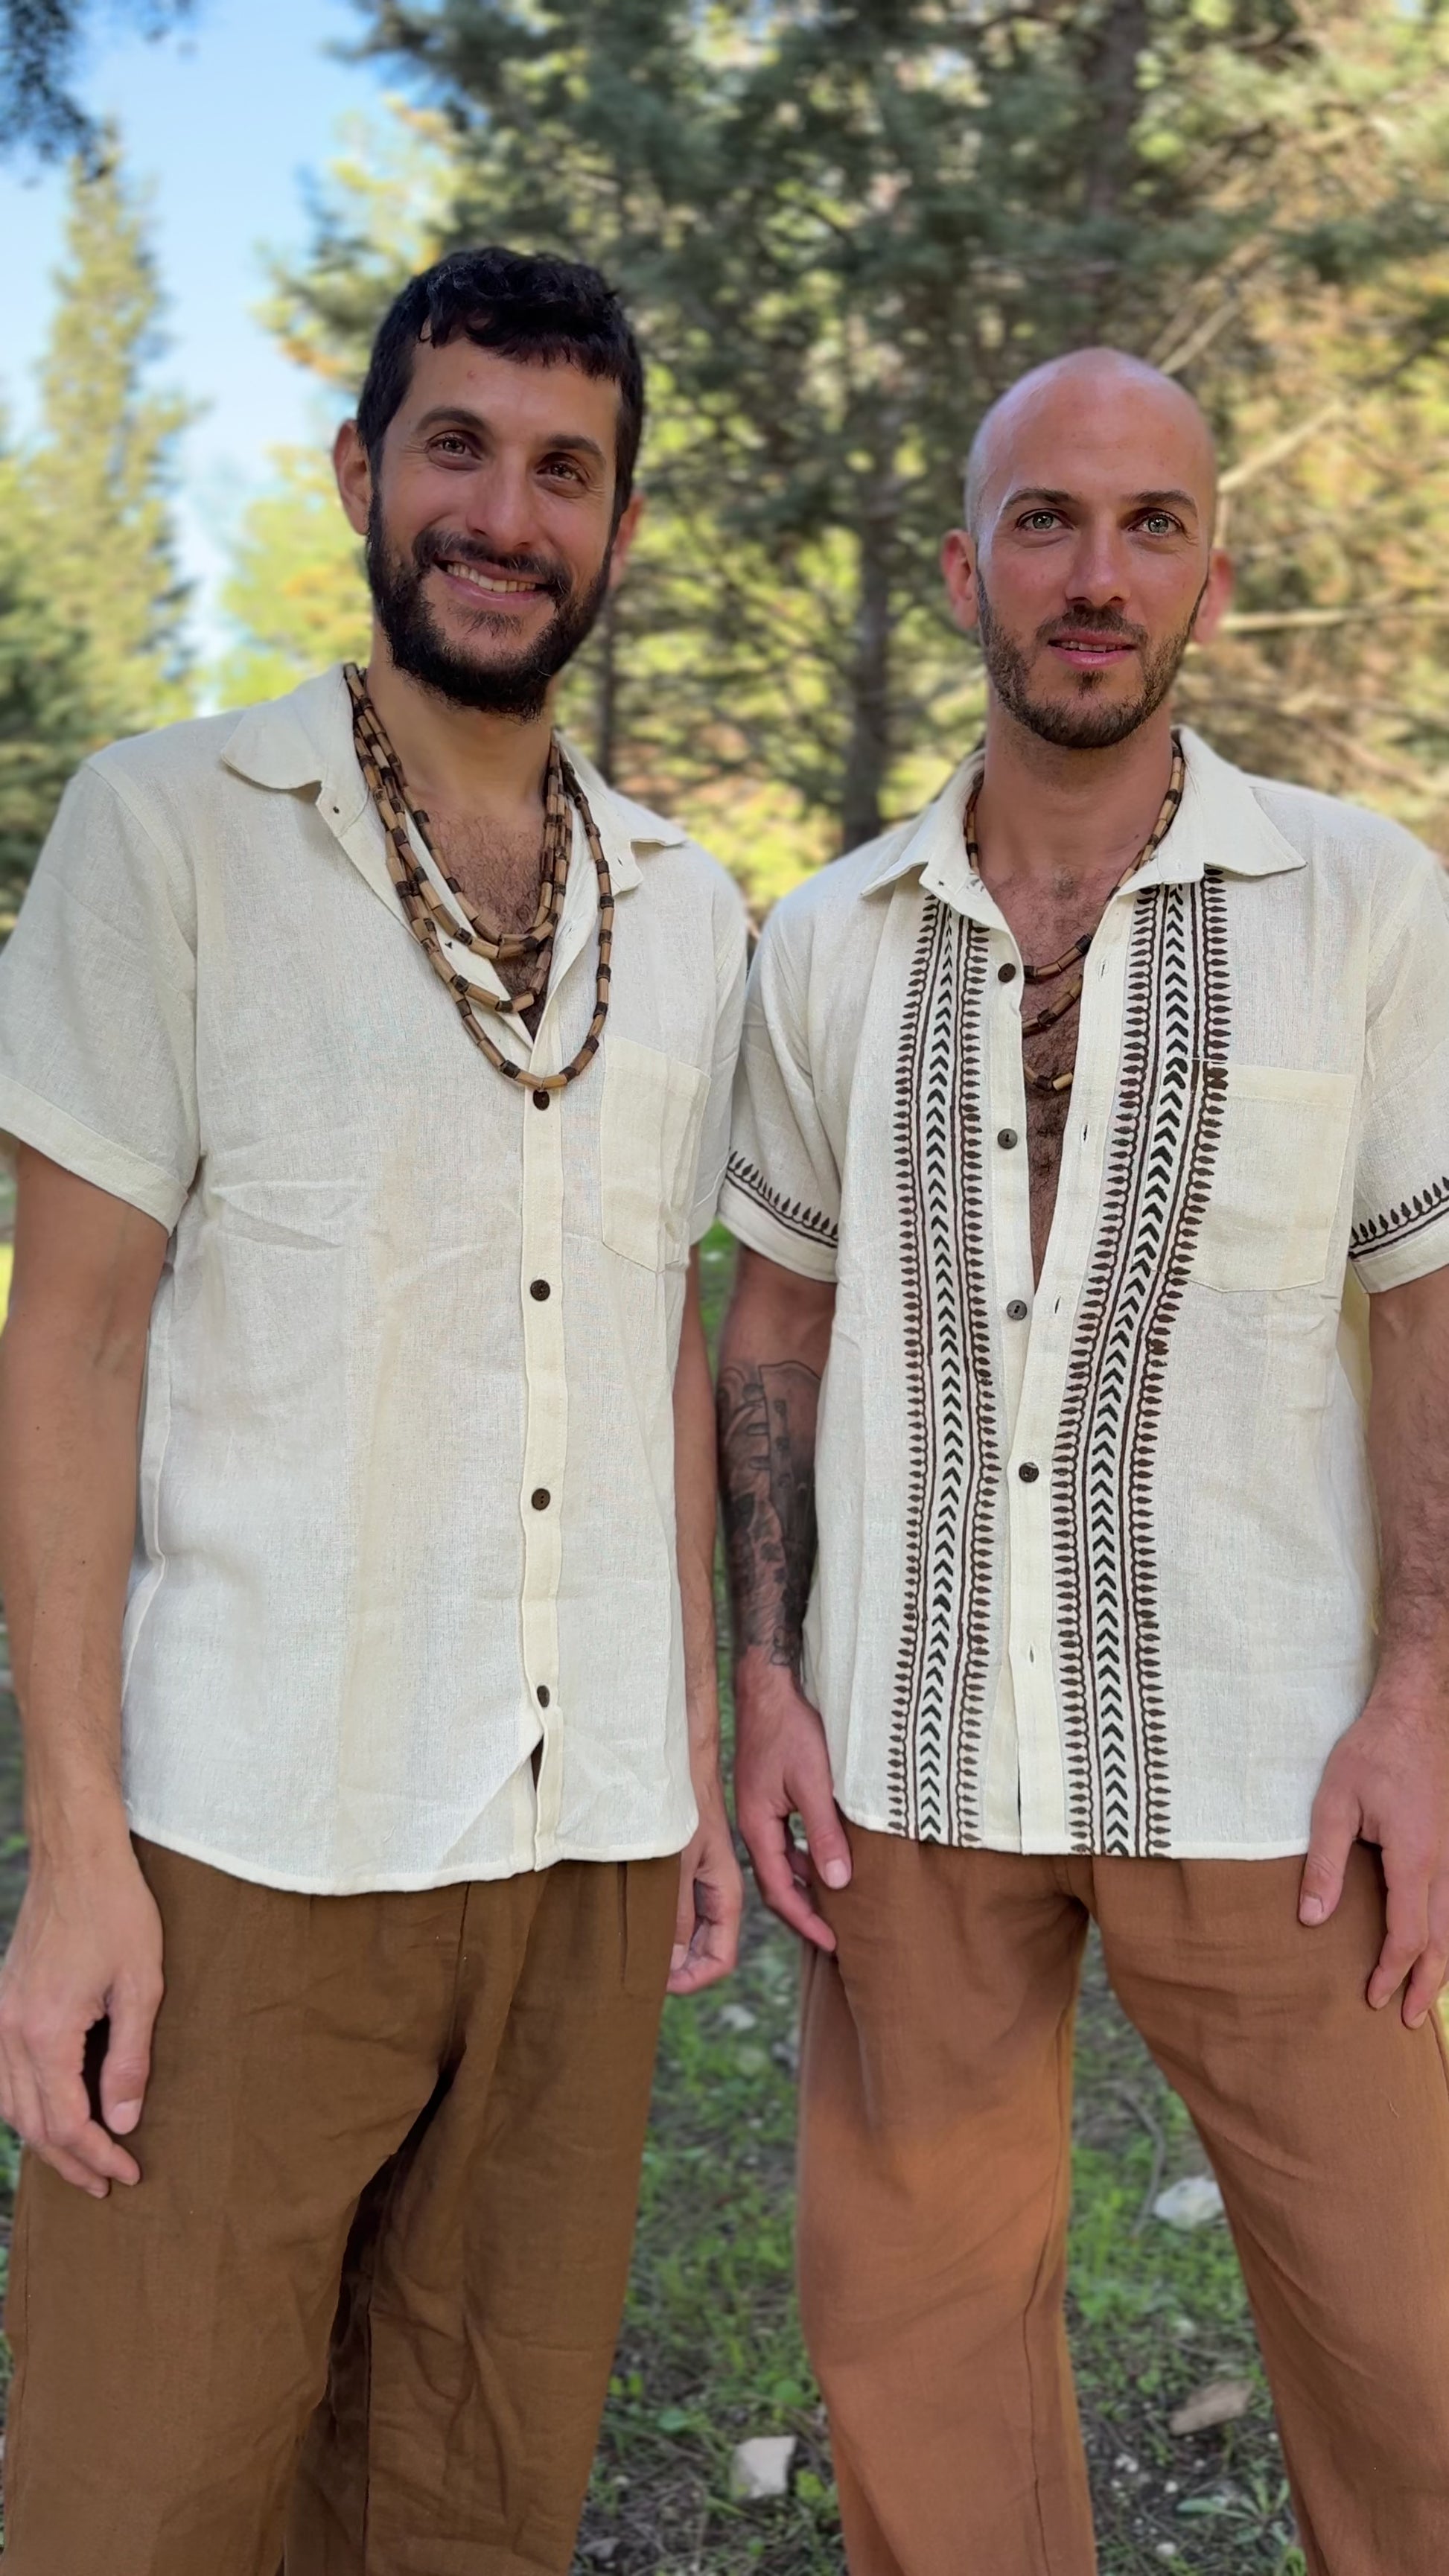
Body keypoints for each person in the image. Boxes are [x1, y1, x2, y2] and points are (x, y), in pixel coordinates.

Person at [0, 244, 747, 2576]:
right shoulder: (169, 832)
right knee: (143, 2495)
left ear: (619, 526)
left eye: (563, 471)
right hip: (251, 1834)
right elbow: (69, 1339)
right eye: (457, 448)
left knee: (469, 2491)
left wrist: (691, 1750)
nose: (505, 517)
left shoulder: (691, 912)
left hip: (582, 1834)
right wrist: (77, 1850)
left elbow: (654, 1338)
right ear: (359, 472)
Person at [717, 346, 1449, 2576]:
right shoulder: (824, 940)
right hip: (912, 1750)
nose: (1095, 573)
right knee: (912, 2360)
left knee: (1415, 2357)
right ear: (967, 571)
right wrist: (763, 1673)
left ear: (1209, 577)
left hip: (1272, 1759)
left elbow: (1430, 1313)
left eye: (1149, 526)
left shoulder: (1365, 904)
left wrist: (1422, 1696)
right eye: (1045, 519)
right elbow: (775, 1327)